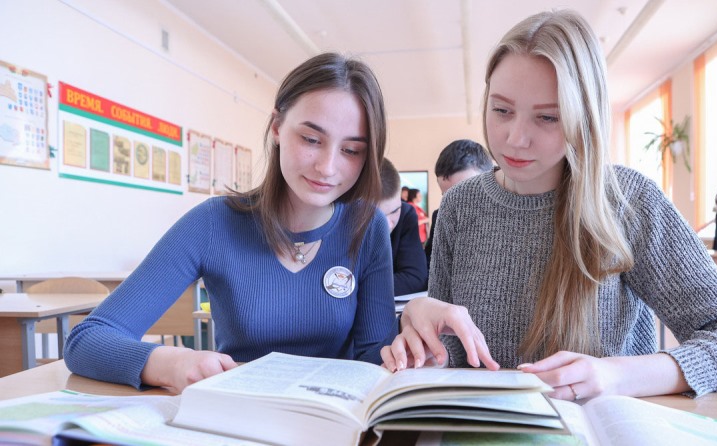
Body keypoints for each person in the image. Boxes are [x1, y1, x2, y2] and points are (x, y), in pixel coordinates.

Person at [381, 10, 717, 402]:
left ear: (583, 117)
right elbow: (454, 349)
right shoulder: (459, 207)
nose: (515, 138)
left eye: (548, 118)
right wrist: (426, 347)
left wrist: (618, 374)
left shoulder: (628, 201)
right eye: (501, 110)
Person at [65, 52, 398, 393]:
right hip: (235, 415)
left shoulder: (367, 225)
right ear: (277, 127)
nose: (327, 167)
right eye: (312, 140)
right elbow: (88, 340)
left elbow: (376, 358)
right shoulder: (214, 223)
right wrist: (168, 362)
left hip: (332, 418)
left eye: (351, 150)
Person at [424, 139, 494, 266]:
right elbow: (430, 267)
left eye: (466, 195)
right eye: (447, 198)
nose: (457, 206)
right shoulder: (440, 217)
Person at [377, 158, 428, 295]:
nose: (387, 225)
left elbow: (415, 278)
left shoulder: (406, 214)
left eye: (394, 212)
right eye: (376, 217)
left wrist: (354, 285)